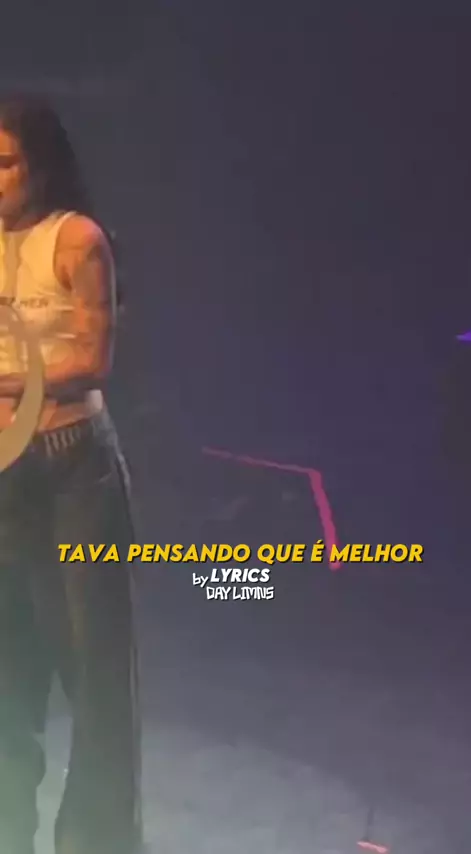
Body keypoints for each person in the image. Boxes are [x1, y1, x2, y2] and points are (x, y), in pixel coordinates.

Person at [0, 94, 142, 854]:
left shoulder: (77, 240)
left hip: (70, 470)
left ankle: (96, 842)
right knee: (5, 668)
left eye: (5, 164)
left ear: (40, 165)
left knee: (93, 669)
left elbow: (92, 361)